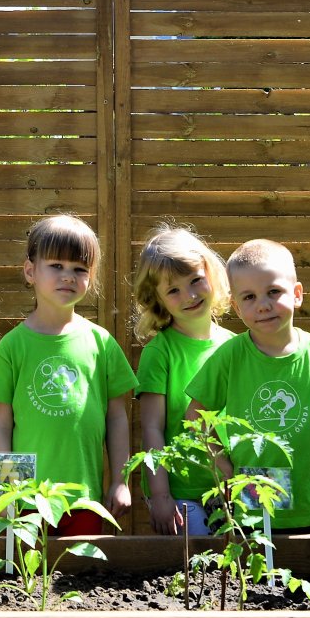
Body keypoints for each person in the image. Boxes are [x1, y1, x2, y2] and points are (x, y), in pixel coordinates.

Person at [185, 239, 310, 534]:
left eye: (273, 292)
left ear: (297, 294)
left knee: (300, 570)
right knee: (255, 573)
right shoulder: (231, 356)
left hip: (308, 497)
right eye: (249, 297)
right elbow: (195, 414)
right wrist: (221, 461)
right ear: (237, 308)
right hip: (250, 495)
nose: (263, 305)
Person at [0, 215, 136, 534]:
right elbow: (0, 424)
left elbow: (118, 417)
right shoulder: (11, 347)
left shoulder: (102, 343)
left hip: (84, 498)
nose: (68, 276)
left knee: (79, 579)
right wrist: (5, 490)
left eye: (79, 269)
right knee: (27, 581)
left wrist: (121, 481)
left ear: (91, 278)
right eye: (56, 266)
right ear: (30, 272)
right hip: (25, 500)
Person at [130, 225, 232, 537]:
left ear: (211, 275)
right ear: (157, 300)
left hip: (229, 486)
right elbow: (152, 428)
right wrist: (160, 495)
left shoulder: (235, 346)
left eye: (195, 281)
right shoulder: (159, 352)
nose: (188, 295)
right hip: (178, 492)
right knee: (194, 571)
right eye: (173, 290)